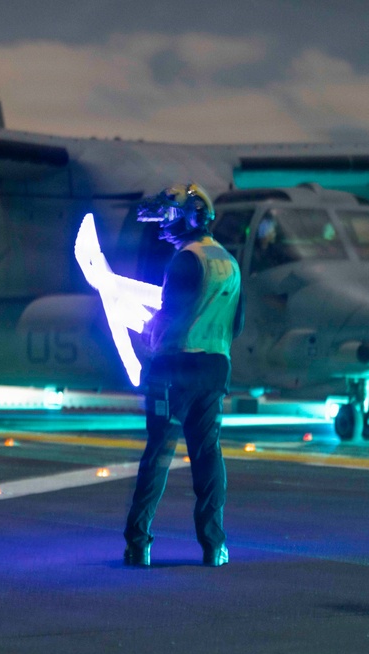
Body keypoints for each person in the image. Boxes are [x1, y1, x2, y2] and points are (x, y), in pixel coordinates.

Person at [124, 183, 244, 568]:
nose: (163, 223)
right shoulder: (228, 262)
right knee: (208, 454)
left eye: (168, 215)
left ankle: (138, 544)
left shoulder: (184, 260)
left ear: (185, 219)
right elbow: (235, 324)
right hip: (214, 370)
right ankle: (215, 546)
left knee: (158, 454)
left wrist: (146, 332)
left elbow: (168, 316)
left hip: (174, 371)